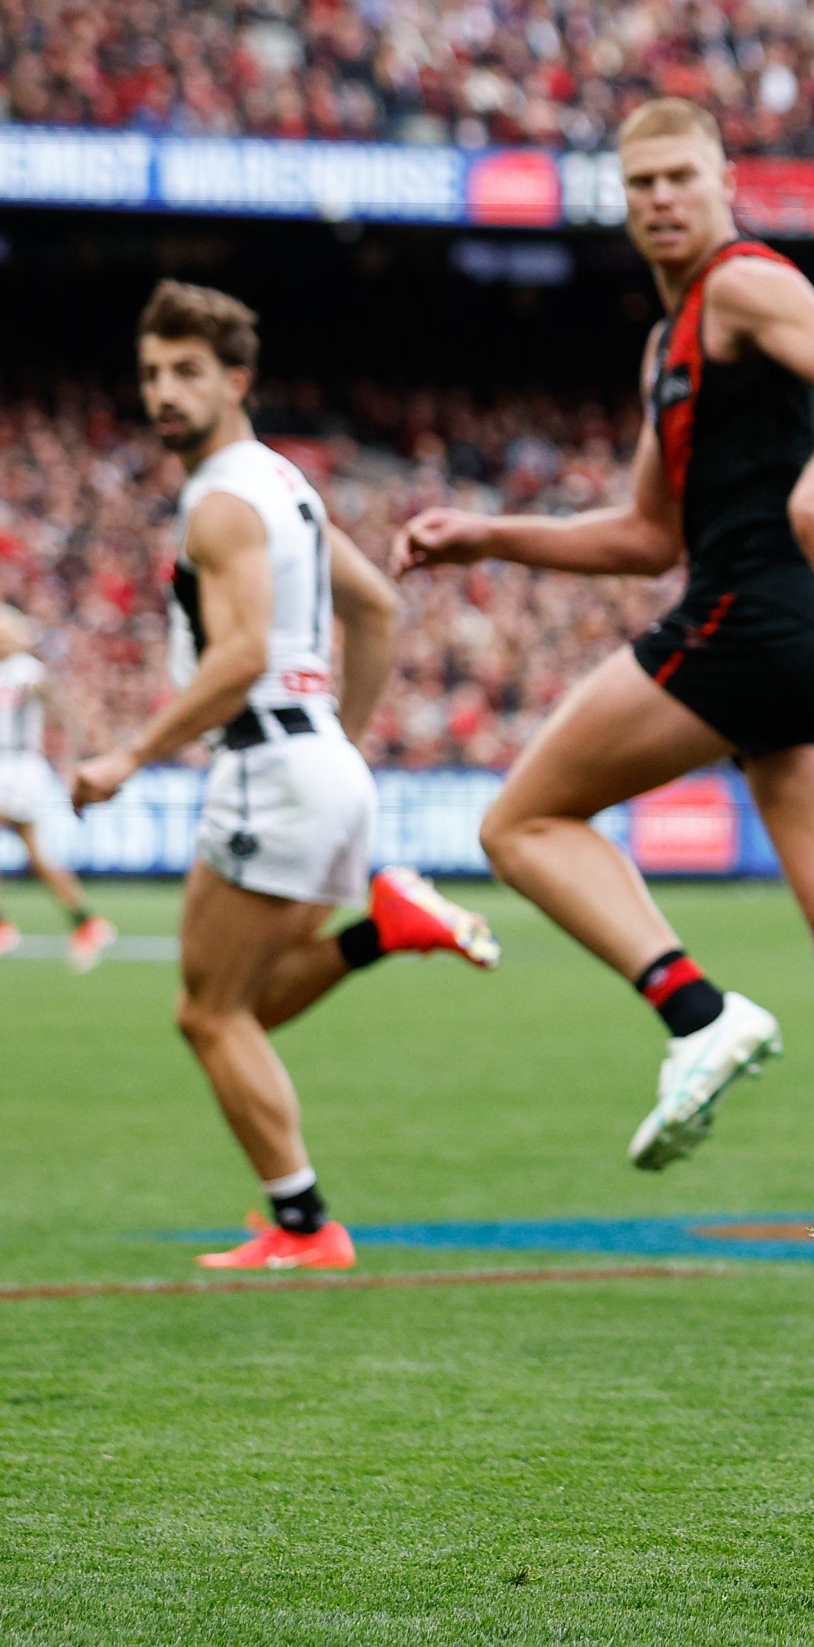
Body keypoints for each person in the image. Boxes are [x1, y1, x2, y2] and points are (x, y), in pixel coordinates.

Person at [393, 98, 814, 1198]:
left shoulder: (744, 283)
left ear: (725, 180)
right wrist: (489, 535)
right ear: (623, 205)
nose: (662, 200)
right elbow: (645, 536)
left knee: (520, 820)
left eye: (681, 176)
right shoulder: (667, 343)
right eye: (641, 186)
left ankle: (697, 1010)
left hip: (760, 617)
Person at [72, 281, 499, 1269]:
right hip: (321, 766)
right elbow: (378, 612)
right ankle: (386, 927)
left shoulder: (220, 499)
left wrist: (128, 756)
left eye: (185, 372)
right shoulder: (285, 484)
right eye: (149, 374)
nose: (163, 392)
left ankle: (305, 1227)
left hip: (270, 767)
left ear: (237, 380)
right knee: (245, 1008)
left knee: (206, 1012)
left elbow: (238, 655)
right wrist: (340, 742)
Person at [0, 606, 116, 969]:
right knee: (37, 854)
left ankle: (10, 927)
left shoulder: (25, 671)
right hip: (8, 767)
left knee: (37, 852)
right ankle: (84, 921)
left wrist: (69, 758)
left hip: (17, 768)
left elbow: (64, 712)